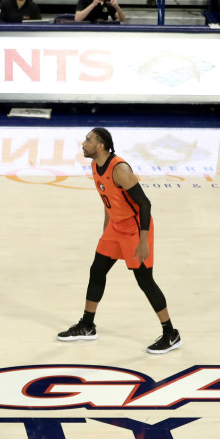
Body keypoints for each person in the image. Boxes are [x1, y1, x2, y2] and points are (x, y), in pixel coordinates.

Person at [57, 128, 182, 353]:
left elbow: (145, 204)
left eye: (88, 140)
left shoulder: (120, 169)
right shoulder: (95, 165)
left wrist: (143, 242)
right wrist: (106, 230)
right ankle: (87, 325)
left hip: (135, 231)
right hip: (115, 228)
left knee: (145, 281)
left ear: (101, 145)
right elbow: (109, 201)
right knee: (97, 271)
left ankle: (171, 333)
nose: (83, 143)